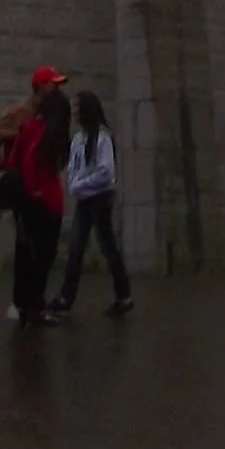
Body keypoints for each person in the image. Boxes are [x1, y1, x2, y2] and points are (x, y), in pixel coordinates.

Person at [0, 65, 70, 326]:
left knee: (30, 248)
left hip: (30, 187)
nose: (57, 88)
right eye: (53, 84)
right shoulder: (23, 114)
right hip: (29, 189)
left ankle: (26, 302)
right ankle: (25, 302)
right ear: (41, 86)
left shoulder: (46, 118)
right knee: (29, 249)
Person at [57, 88, 133, 315]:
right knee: (76, 248)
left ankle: (124, 296)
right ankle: (66, 298)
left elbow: (106, 172)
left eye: (77, 107)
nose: (74, 112)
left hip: (99, 198)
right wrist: (74, 183)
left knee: (107, 247)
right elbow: (75, 167)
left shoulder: (101, 138)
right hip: (85, 199)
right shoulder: (79, 139)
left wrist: (81, 185)